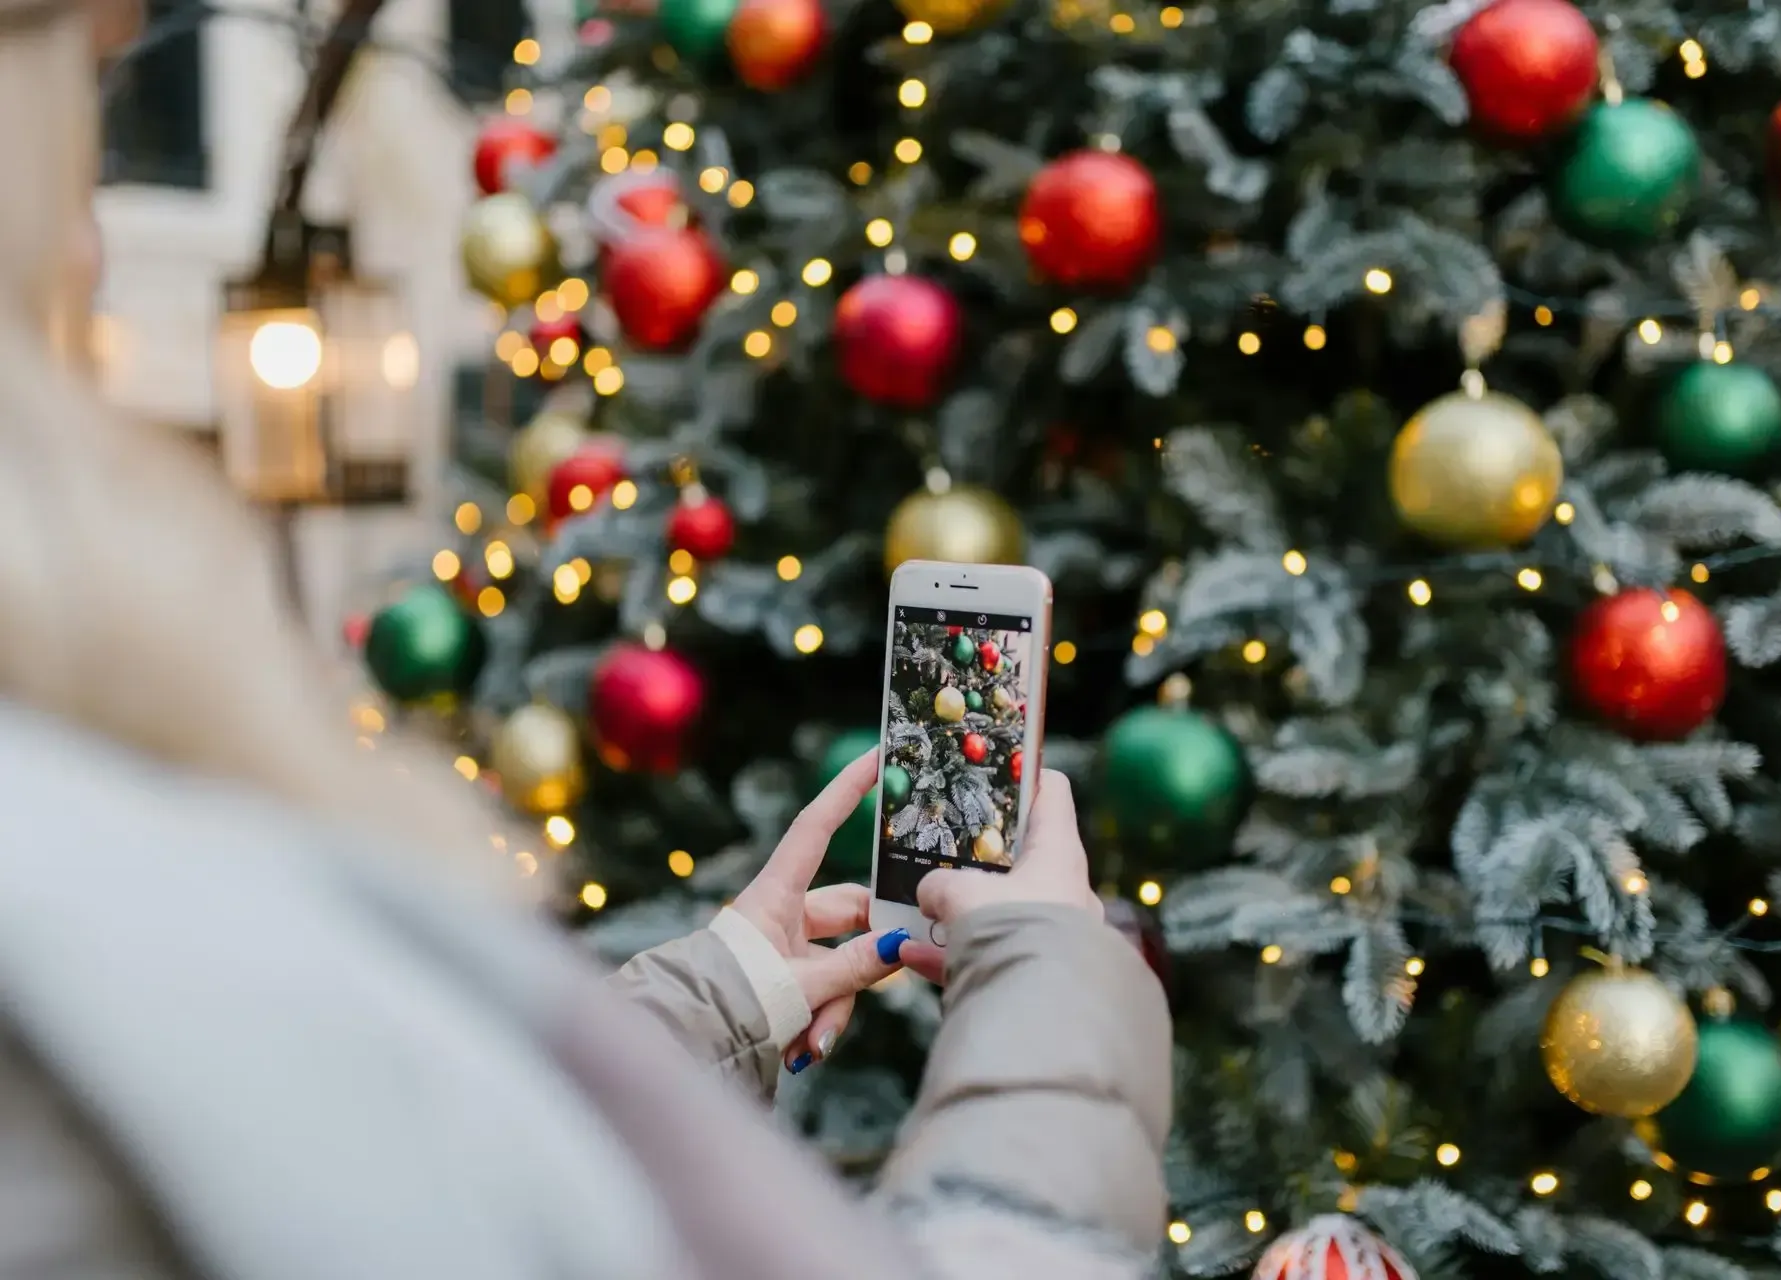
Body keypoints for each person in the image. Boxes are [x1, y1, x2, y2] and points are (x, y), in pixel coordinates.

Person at [0, 2, 1173, 1277]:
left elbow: (426, 1187)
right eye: (89, 97)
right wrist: (1055, 978)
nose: (90, 245)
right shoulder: (70, 931)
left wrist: (723, 992)